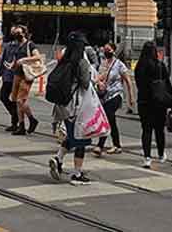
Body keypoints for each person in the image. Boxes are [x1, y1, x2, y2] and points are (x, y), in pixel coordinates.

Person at [48, 32, 94, 186]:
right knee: (81, 139)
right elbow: (86, 83)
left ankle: (58, 159)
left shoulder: (64, 60)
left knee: (73, 135)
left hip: (62, 105)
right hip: (76, 105)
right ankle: (77, 174)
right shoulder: (81, 62)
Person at [135, 41, 172, 169]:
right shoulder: (160, 66)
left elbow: (139, 84)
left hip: (144, 102)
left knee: (146, 130)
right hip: (159, 102)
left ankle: (147, 158)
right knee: (159, 130)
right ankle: (161, 155)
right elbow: (168, 85)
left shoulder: (139, 66)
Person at [91, 41, 132, 156]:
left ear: (113, 50)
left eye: (108, 49)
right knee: (110, 120)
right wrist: (98, 82)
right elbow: (98, 77)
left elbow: (128, 81)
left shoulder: (119, 65)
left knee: (108, 116)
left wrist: (131, 97)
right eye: (104, 49)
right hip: (104, 96)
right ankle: (117, 145)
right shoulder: (103, 64)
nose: (106, 52)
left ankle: (100, 145)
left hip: (116, 95)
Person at [0, 28, 21, 131]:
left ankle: (16, 122)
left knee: (16, 100)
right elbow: (3, 60)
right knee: (3, 97)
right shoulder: (7, 46)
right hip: (7, 76)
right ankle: (15, 116)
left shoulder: (22, 46)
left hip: (17, 76)